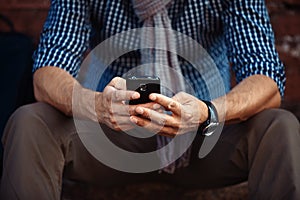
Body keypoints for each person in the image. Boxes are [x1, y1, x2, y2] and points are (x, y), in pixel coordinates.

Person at [1, 0, 300, 199]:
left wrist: (208, 112)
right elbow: (47, 72)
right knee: (30, 121)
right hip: (112, 137)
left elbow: (266, 76)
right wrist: (96, 106)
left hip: (203, 137)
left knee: (280, 125)